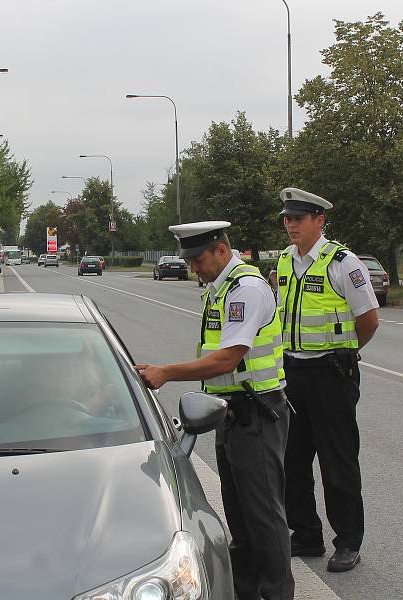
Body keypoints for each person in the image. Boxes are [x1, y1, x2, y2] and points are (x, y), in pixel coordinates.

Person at [136, 221, 294, 600]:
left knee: (264, 517)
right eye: (189, 259)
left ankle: (276, 593)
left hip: (257, 413)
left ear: (221, 250)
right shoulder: (219, 289)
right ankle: (247, 591)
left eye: (197, 258)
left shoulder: (246, 288)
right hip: (232, 414)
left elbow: (227, 359)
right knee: (240, 517)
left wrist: (167, 373)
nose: (193, 267)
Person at [277, 188, 379, 573]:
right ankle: (305, 534)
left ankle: (348, 542)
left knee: (338, 461)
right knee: (292, 460)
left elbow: (368, 319)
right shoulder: (286, 262)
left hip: (331, 374)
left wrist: (346, 352)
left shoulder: (342, 262)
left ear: (318, 220)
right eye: (287, 219)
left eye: (298, 218)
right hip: (292, 372)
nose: (291, 225)